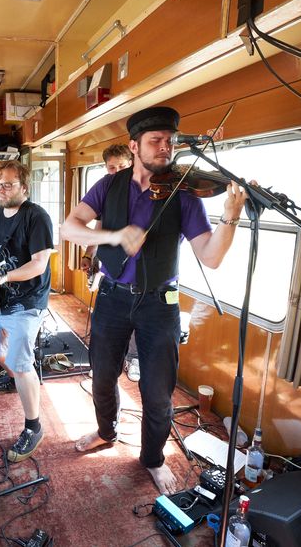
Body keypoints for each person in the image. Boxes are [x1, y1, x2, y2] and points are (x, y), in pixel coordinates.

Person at [60, 106, 250, 495]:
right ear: (134, 146)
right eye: (156, 141)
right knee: (102, 375)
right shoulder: (108, 186)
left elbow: (211, 257)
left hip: (160, 303)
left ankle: (153, 458)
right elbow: (69, 228)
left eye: (170, 141)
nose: (166, 148)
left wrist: (230, 216)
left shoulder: (185, 195)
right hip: (112, 296)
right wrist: (113, 236)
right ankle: (106, 431)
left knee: (158, 391)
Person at [0, 161, 54, 462]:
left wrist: (5, 276)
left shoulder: (37, 217)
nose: (1, 189)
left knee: (21, 362)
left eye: (8, 184)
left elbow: (38, 264)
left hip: (28, 300)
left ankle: (33, 427)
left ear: (24, 187)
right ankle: (16, 378)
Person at [78, 144, 140, 382]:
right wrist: (88, 255)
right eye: (111, 168)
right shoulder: (106, 189)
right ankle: (104, 367)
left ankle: (133, 359)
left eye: (121, 167)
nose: (116, 172)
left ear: (132, 163)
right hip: (112, 272)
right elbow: (98, 227)